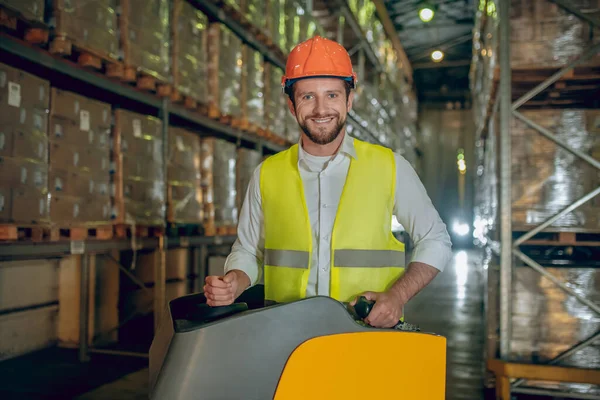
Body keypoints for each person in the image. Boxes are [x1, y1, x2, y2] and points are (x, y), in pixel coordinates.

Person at [203, 35, 452, 328]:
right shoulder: (267, 174)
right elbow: (248, 251)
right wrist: (235, 281)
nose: (321, 109)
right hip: (287, 336)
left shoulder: (390, 167)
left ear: (349, 100)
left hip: (366, 336)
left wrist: (397, 296)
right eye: (308, 96)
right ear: (292, 105)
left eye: (332, 95)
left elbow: (435, 240)